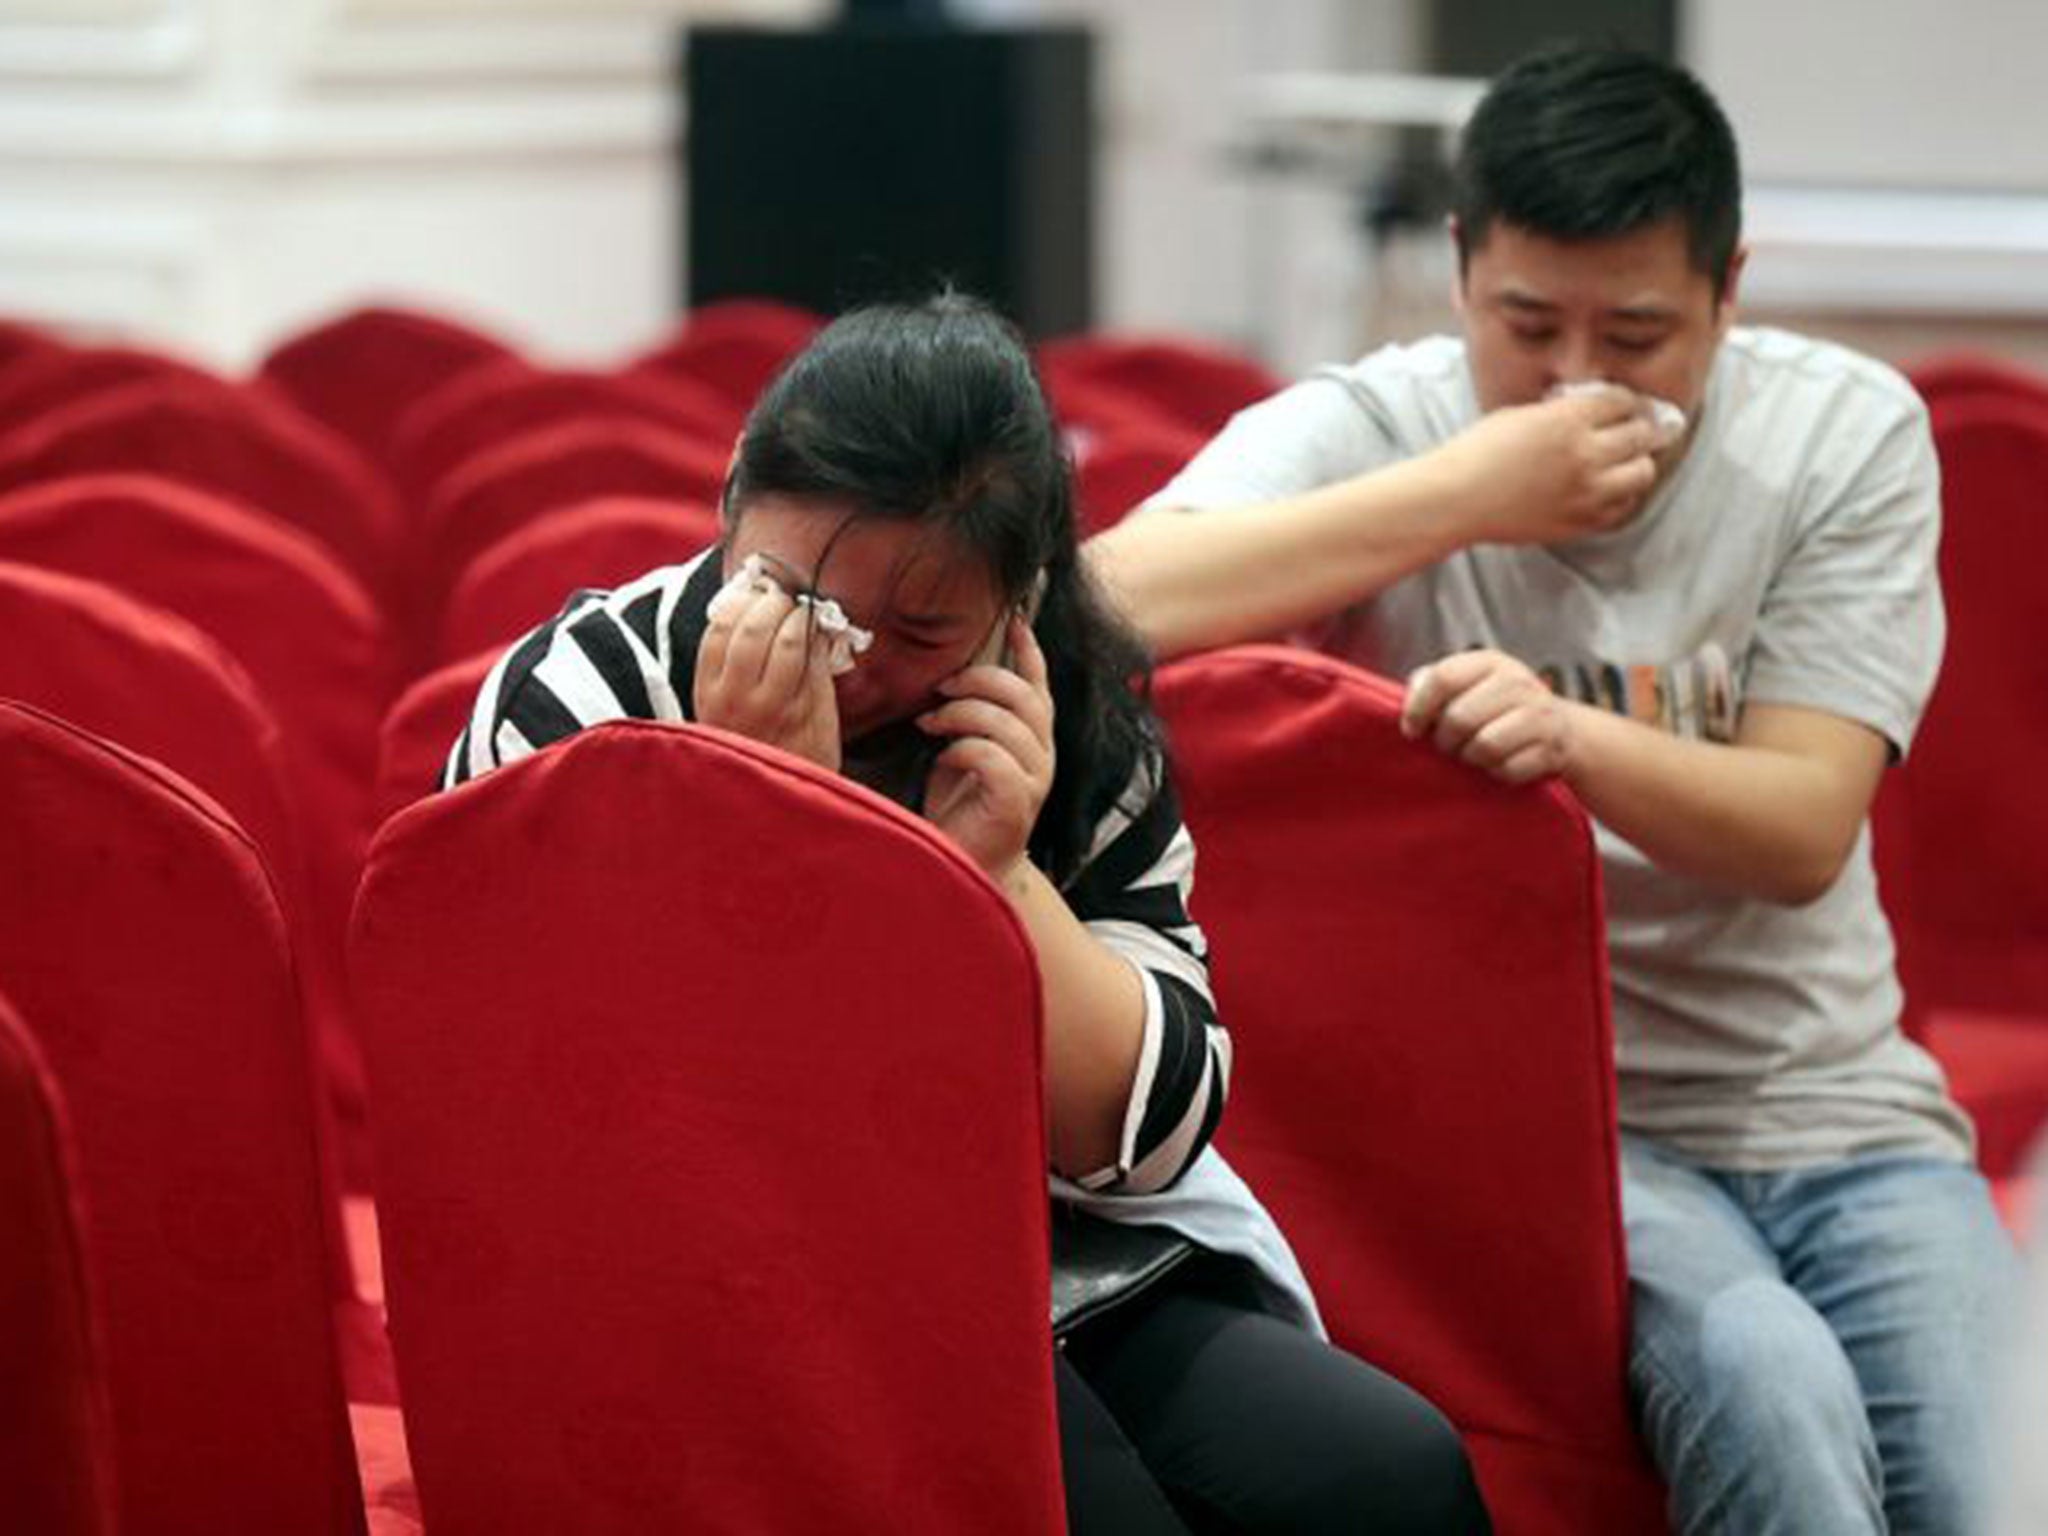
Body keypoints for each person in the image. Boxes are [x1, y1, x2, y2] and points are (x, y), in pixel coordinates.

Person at [1090, 42, 2019, 1536]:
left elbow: (1797, 829)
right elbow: (1104, 596)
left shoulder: (1840, 437)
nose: (1578, 383)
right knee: (1768, 1387)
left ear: (1729, 291)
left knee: (1992, 1486)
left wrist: (1570, 741)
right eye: (1527, 327)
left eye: (1639, 334)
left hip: (1841, 1108)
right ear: (1459, 272)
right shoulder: (1395, 426)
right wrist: (1470, 491)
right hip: (1574, 1134)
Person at [443, 293, 1491, 1535]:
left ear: (1018, 597)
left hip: (1035, 1248)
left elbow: (1146, 1140)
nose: (845, 659)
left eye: (920, 629)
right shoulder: (579, 693)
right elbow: (559, 1098)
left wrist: (994, 874)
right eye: (788, 594)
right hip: (692, 1266)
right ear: (732, 492)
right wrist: (760, 808)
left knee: (1390, 1473)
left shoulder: (1070, 726)